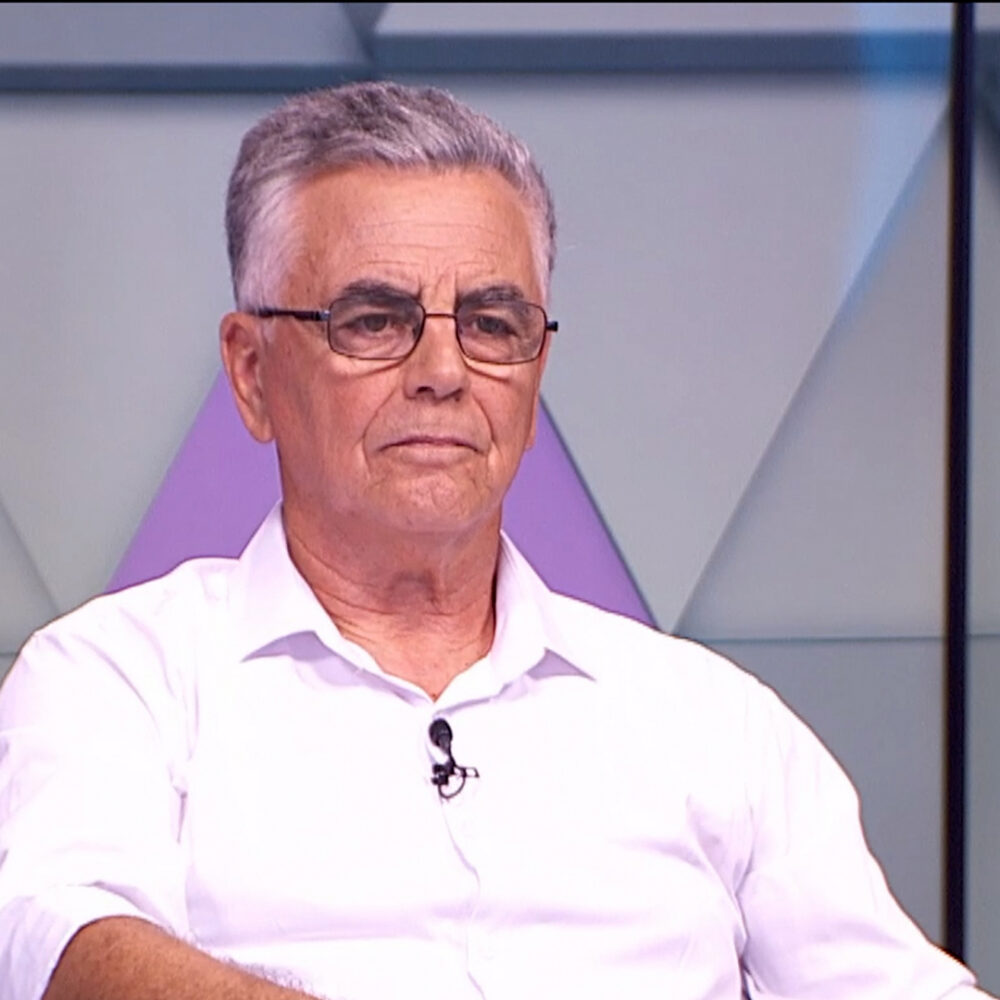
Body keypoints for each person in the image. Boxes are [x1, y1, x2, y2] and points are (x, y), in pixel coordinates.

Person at [0, 81, 990, 1000]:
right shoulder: (120, 679)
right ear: (252, 372)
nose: (443, 370)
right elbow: (61, 943)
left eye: (490, 323)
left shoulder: (709, 722)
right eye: (374, 319)